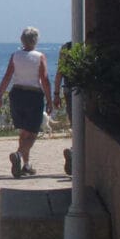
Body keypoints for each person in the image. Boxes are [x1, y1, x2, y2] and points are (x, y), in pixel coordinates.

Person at [0, 27, 55, 177]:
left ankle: (26, 165)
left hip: (17, 94)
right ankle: (19, 155)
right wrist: (49, 100)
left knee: (23, 132)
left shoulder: (15, 55)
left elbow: (7, 76)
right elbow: (45, 80)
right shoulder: (40, 57)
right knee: (33, 132)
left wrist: (0, 95)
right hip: (33, 95)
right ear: (35, 40)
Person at [53, 41, 74, 175]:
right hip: (84, 90)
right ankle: (75, 153)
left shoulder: (66, 47)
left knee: (75, 123)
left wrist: (56, 94)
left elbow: (60, 72)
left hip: (68, 90)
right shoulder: (89, 43)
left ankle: (74, 152)